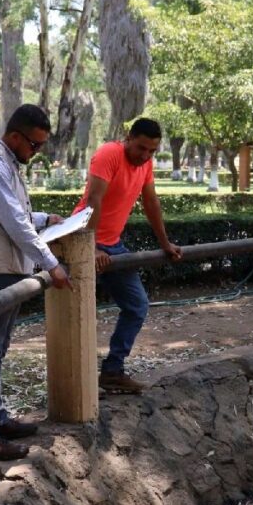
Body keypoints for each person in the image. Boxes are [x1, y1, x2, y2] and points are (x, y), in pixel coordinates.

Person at [0, 104, 72, 465]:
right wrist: (51, 264)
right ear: (15, 136)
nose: (36, 152)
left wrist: (45, 218)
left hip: (6, 269)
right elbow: (13, 222)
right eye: (35, 145)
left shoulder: (5, 161)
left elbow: (16, 213)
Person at [73, 118, 183, 394]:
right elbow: (93, 200)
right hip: (78, 240)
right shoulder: (109, 153)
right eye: (141, 148)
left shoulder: (145, 165)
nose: (145, 156)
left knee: (137, 306)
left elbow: (151, 202)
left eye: (152, 151)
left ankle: (112, 370)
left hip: (112, 245)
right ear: (128, 137)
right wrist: (91, 245)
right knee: (74, 314)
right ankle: (74, 381)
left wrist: (166, 243)